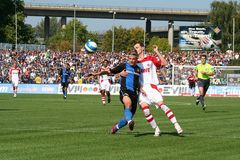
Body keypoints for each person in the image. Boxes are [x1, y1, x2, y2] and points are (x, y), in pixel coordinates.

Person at [134, 42, 183, 136]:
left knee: (162, 105)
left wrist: (157, 52)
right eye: (135, 48)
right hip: (142, 89)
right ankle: (156, 129)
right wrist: (140, 88)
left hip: (152, 87)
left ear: (142, 48)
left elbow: (164, 63)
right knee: (145, 110)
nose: (136, 49)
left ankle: (176, 125)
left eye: (137, 47)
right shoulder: (135, 63)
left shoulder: (151, 59)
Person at [91, 52, 141, 134]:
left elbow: (139, 82)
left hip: (135, 94)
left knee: (127, 117)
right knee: (128, 103)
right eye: (130, 59)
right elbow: (110, 71)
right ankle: (130, 122)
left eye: (134, 59)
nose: (132, 60)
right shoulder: (123, 66)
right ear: (128, 59)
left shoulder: (138, 69)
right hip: (125, 90)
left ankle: (116, 128)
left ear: (136, 60)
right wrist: (96, 74)